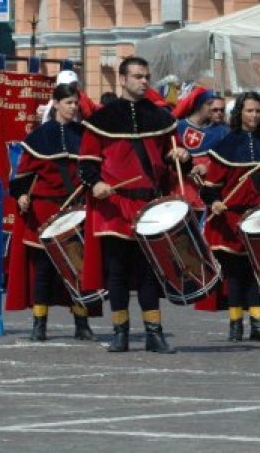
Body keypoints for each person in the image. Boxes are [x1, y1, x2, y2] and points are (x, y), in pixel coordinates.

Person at [79, 56, 191, 354]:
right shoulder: (102, 119)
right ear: (123, 80)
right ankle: (121, 332)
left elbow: (172, 159)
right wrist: (96, 184)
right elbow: (87, 164)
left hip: (149, 205)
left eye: (146, 77)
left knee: (148, 272)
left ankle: (154, 333)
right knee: (117, 272)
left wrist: (181, 156)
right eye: (138, 77)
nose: (144, 81)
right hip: (115, 208)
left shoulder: (161, 118)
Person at [6, 83, 95, 341]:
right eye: (68, 102)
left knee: (77, 269)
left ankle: (81, 322)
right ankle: (39, 323)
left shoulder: (85, 134)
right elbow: (22, 175)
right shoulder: (39, 137)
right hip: (45, 210)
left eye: (76, 103)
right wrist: (22, 195)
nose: (73, 107)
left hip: (76, 209)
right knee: (43, 270)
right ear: (55, 104)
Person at [201, 92, 260, 342]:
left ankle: (258, 323)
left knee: (259, 271)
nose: (254, 116)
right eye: (249, 111)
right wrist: (213, 202)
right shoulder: (226, 146)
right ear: (239, 114)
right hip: (231, 219)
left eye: (258, 111)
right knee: (235, 274)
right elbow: (209, 186)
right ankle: (235, 323)